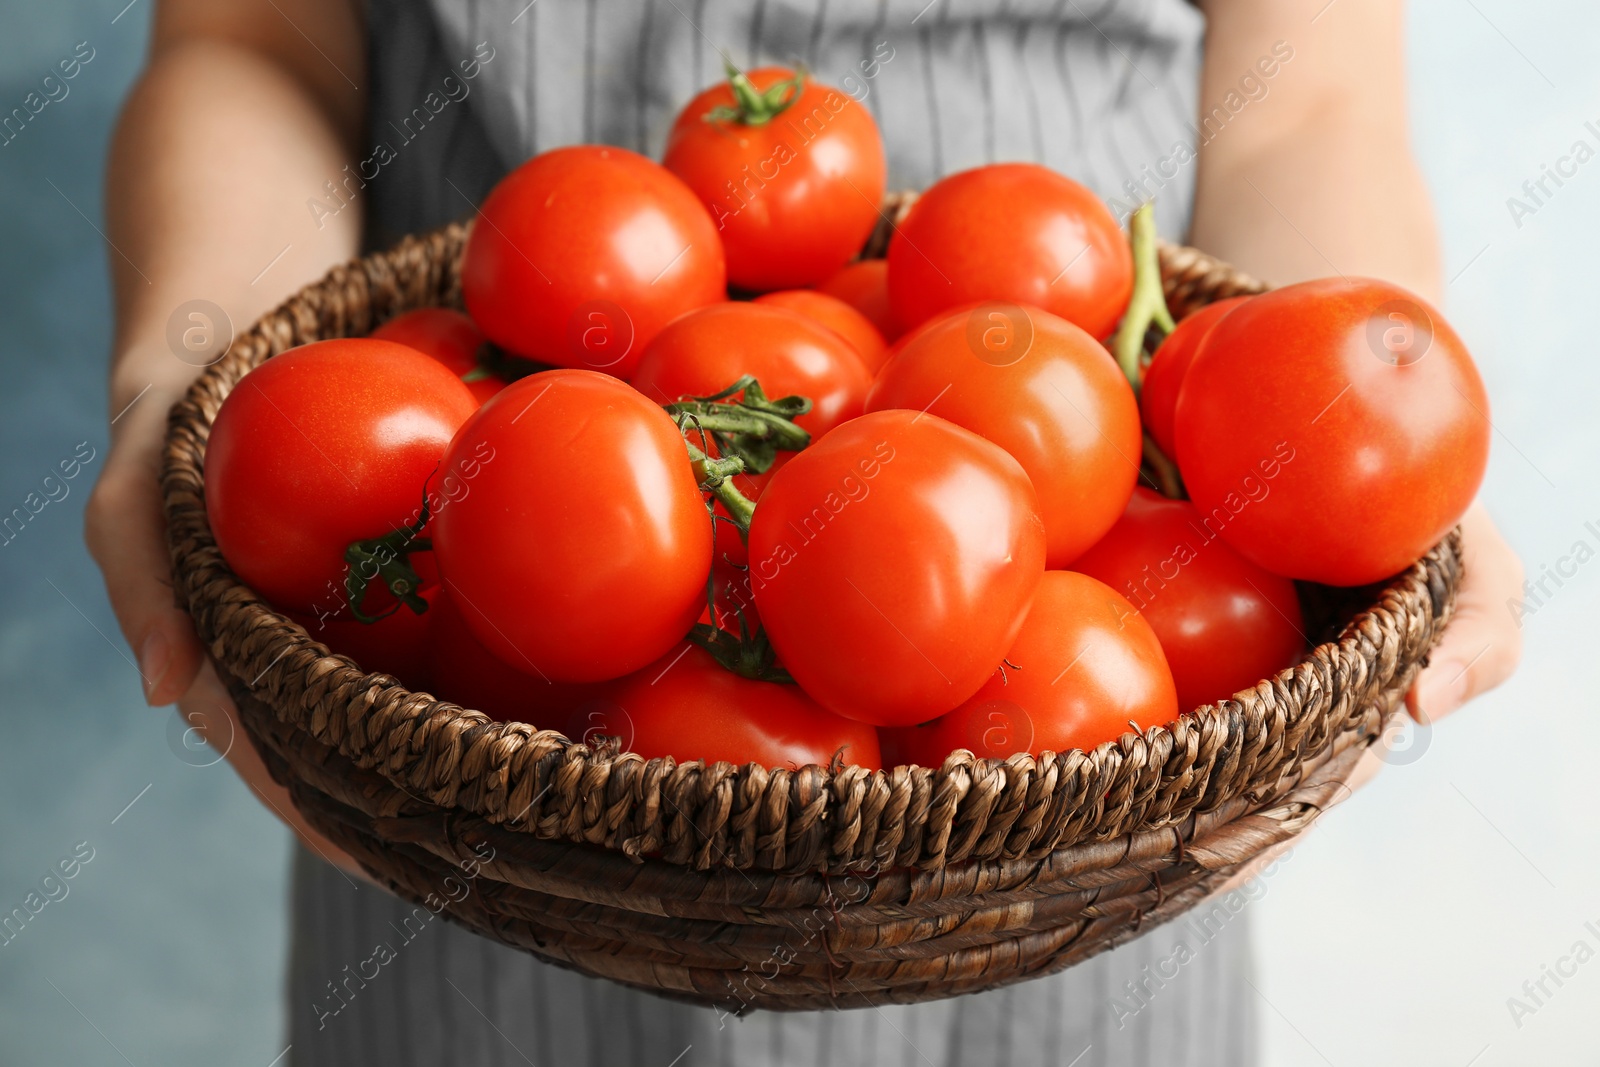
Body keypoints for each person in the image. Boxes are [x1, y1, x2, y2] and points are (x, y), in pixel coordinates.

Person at [86, 1, 1523, 1063]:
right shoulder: (590, 481)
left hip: (1081, 885)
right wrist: (188, 370)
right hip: (469, 815)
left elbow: (1303, 101)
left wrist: (1376, 459)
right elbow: (252, 42)